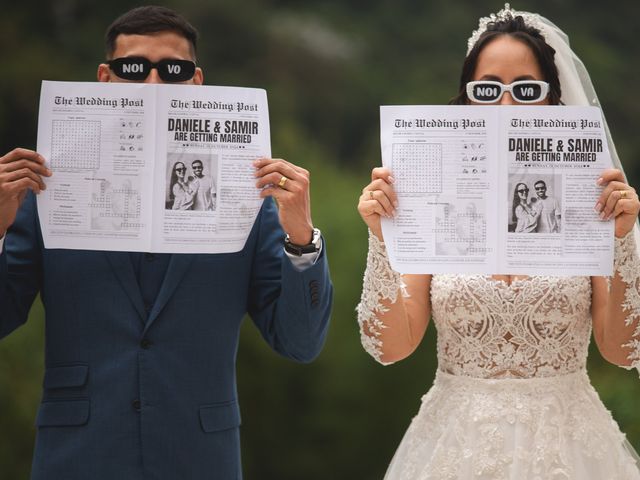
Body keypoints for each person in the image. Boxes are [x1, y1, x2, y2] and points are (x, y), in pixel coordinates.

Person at [0, 6, 332, 480]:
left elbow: (299, 343)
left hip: (199, 457)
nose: (153, 85)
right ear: (104, 78)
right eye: (134, 69)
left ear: (196, 82)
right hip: (79, 454)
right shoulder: (47, 191)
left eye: (172, 71)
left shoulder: (249, 198)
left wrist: (301, 236)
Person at [357, 5, 640, 479]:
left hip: (569, 448)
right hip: (455, 446)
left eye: (525, 90)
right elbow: (392, 347)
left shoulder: (588, 191)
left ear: (553, 99)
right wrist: (381, 240)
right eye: (487, 90)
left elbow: (621, 350)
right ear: (468, 98)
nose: (505, 106)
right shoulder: (433, 190)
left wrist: (622, 242)